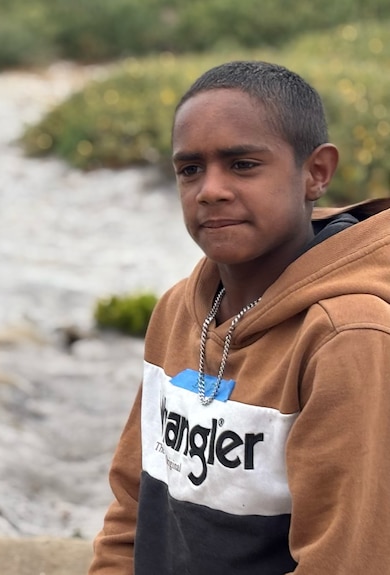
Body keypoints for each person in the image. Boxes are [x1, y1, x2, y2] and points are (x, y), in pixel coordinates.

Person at [88, 60, 390, 574]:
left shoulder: (347, 335)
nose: (210, 190)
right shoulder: (178, 309)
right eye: (190, 170)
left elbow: (344, 560)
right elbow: (132, 509)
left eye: (243, 164)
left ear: (315, 172)